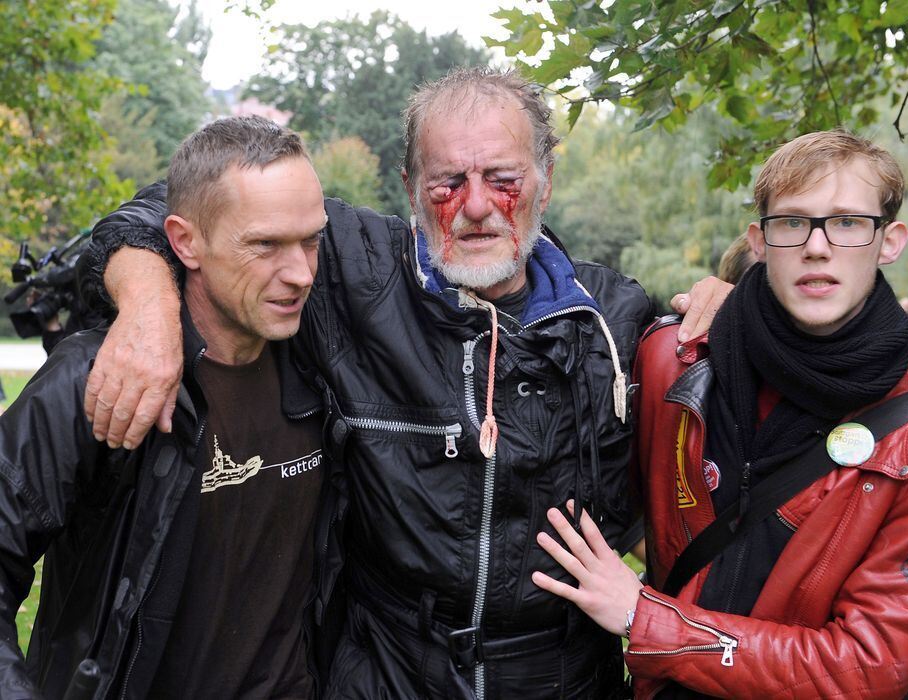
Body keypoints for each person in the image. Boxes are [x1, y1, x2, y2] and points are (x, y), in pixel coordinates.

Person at [79, 67, 732, 698]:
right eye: (447, 182)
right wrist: (148, 307)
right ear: (410, 187)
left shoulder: (615, 318)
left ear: (546, 180)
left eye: (503, 179)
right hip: (386, 668)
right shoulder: (352, 271)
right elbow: (166, 209)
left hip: (566, 676)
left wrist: (739, 311)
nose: (476, 206)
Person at [531, 129, 908, 698]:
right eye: (792, 222)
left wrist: (646, 617)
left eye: (848, 222)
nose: (817, 246)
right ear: (760, 240)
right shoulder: (670, 362)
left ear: (890, 240)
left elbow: (868, 667)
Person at [0, 115, 341, 697]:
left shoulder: (328, 365)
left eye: (312, 240)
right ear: (185, 241)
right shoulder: (94, 377)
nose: (301, 273)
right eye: (265, 245)